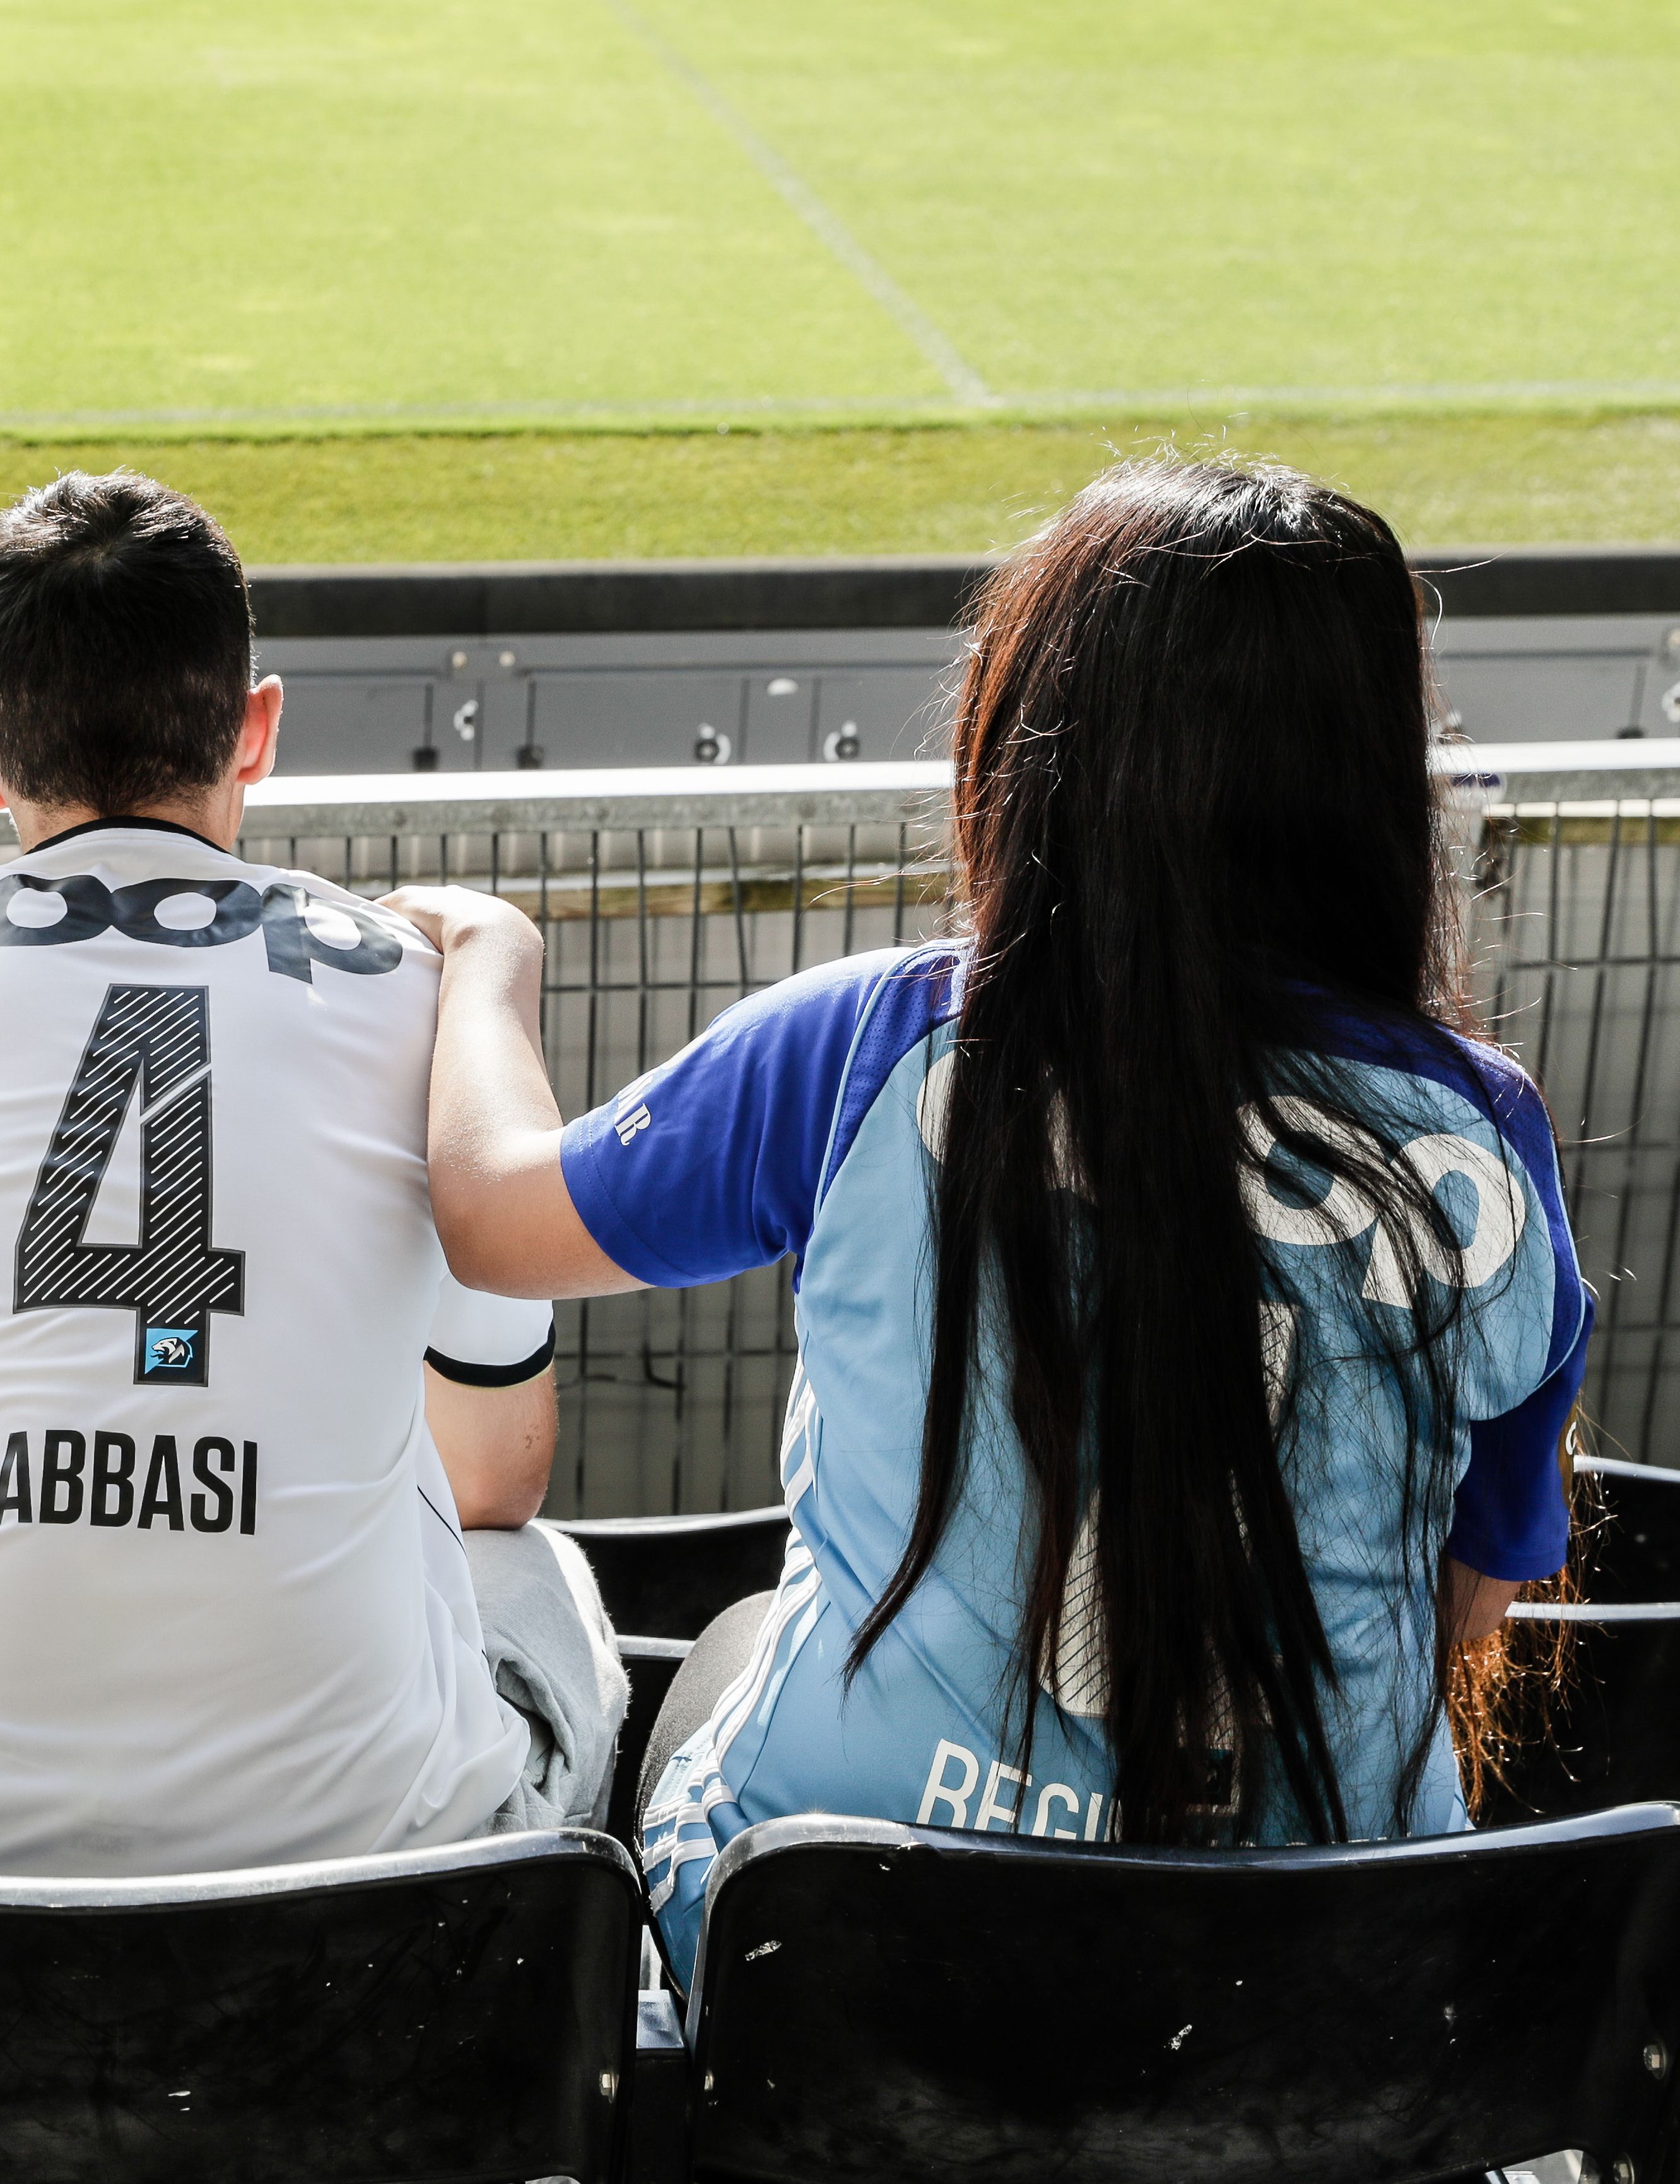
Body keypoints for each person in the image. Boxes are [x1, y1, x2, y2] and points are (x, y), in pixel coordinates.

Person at [396, 457, 1587, 1986]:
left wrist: (486, 955)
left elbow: (491, 1218)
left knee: (733, 1653)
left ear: (1032, 733)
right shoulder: (1484, 1136)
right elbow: (1468, 1605)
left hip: (863, 1960)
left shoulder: (869, 1042)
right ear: (1369, 775)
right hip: (1312, 1984)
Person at [0, 471, 626, 1875]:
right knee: (531, 1568)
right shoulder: (417, 992)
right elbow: (494, 1475)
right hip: (365, 1858)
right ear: (258, 729)